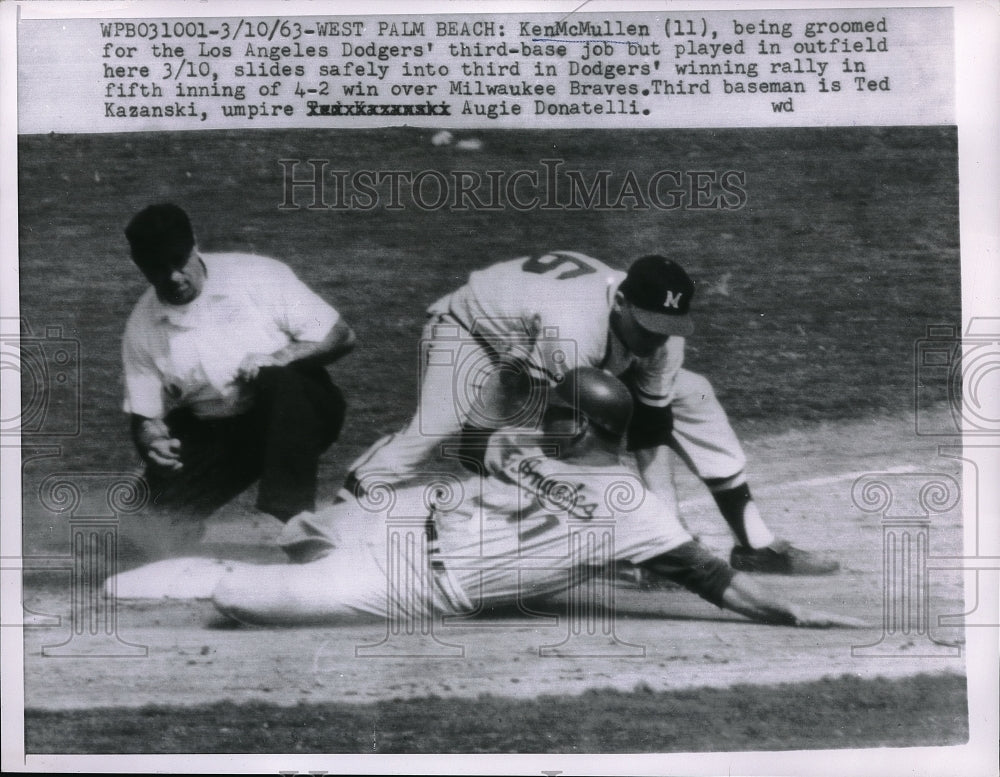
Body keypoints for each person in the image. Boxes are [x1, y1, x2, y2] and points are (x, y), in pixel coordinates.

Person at [212, 369, 863, 628]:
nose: (546, 418)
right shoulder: (530, 445)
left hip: (419, 579)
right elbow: (471, 448)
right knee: (295, 534)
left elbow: (714, 578)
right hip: (406, 518)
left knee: (236, 597)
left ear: (583, 427)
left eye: (557, 413)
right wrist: (495, 392)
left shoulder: (635, 510)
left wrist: (791, 613)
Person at [344, 251, 836, 575]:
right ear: (620, 300)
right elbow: (555, 426)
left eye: (667, 326)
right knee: (441, 428)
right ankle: (350, 507)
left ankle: (754, 542)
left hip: (544, 340)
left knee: (694, 394)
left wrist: (666, 535)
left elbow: (649, 430)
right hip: (472, 331)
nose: (656, 337)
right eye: (647, 324)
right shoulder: (574, 326)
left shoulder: (662, 336)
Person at [119, 203, 355, 561]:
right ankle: (181, 527)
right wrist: (154, 442)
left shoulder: (255, 274)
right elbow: (145, 415)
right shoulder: (141, 325)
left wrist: (279, 356)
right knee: (140, 532)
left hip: (300, 411)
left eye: (178, 261)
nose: (173, 277)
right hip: (222, 432)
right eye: (157, 268)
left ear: (194, 245)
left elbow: (341, 335)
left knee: (277, 378)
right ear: (139, 267)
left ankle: (294, 520)